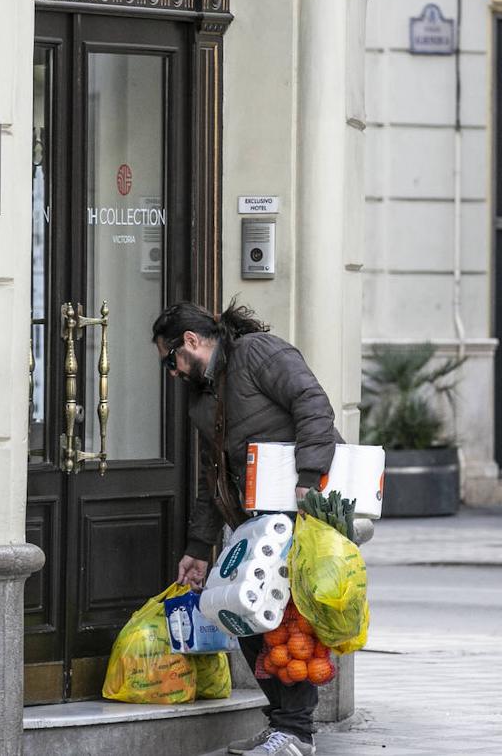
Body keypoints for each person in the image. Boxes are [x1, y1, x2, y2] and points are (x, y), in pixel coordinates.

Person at [152, 301, 341, 756]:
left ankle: (295, 733)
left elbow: (312, 404)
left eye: (169, 358)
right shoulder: (203, 397)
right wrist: (199, 546)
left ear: (192, 342)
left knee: (286, 627)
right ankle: (283, 723)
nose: (172, 371)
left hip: (299, 512)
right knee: (247, 618)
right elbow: (211, 475)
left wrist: (309, 479)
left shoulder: (259, 353)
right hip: (256, 523)